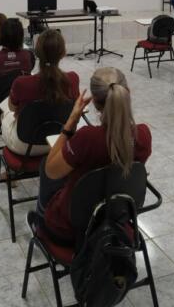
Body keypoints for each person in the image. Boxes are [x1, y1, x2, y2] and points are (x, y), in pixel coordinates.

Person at [33, 67, 152, 244]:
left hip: (73, 229)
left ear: (94, 102)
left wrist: (70, 122)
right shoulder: (143, 134)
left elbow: (51, 170)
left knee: (48, 167)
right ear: (127, 93)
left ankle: (41, 219)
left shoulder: (87, 137)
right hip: (116, 220)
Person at [3, 29, 79, 156]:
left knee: (5, 114)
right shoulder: (73, 79)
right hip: (61, 142)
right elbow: (75, 109)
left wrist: (22, 114)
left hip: (26, 144)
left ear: (37, 53)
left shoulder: (21, 82)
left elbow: (12, 107)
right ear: (63, 53)